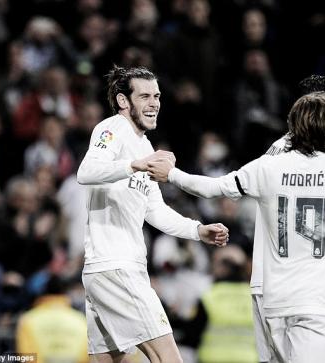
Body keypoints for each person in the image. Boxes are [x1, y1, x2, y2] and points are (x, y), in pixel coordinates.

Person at [148, 92, 325, 362]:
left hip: (275, 303)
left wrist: (172, 174)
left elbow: (213, 187)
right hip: (317, 304)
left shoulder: (268, 167)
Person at [76, 65, 229, 363]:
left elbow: (155, 210)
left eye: (157, 96)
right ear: (124, 101)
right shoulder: (112, 129)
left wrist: (197, 230)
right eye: (144, 96)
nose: (154, 103)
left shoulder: (144, 145)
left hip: (105, 271)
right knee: (169, 358)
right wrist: (135, 164)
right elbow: (86, 172)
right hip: (117, 267)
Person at [15, 275, 88, 363]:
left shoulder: (28, 320)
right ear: (65, 293)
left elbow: (26, 355)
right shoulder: (80, 320)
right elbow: (86, 354)